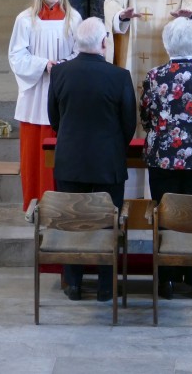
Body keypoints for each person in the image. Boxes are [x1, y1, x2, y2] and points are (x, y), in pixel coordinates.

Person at [48, 17, 137, 302]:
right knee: (108, 223)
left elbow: (54, 119)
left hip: (70, 162)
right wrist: (113, 147)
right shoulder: (119, 76)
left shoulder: (60, 73)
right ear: (103, 43)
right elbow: (129, 124)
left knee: (72, 223)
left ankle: (73, 284)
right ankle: (105, 286)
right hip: (107, 164)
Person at [103, 0, 192, 196]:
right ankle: (132, 199)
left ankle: (160, 200)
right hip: (134, 70)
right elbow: (111, 5)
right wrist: (120, 16)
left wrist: (190, 16)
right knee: (133, 122)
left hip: (170, 80)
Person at [139, 17, 192, 300]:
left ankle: (167, 280)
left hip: (163, 158)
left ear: (167, 45)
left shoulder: (154, 77)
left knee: (166, 217)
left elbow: (146, 118)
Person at [8, 0, 82, 211]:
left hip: (63, 90)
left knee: (61, 152)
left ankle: (61, 206)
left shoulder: (73, 18)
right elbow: (16, 55)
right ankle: (34, 204)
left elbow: (80, 51)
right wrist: (43, 65)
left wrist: (64, 65)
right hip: (36, 92)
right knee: (34, 155)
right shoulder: (25, 19)